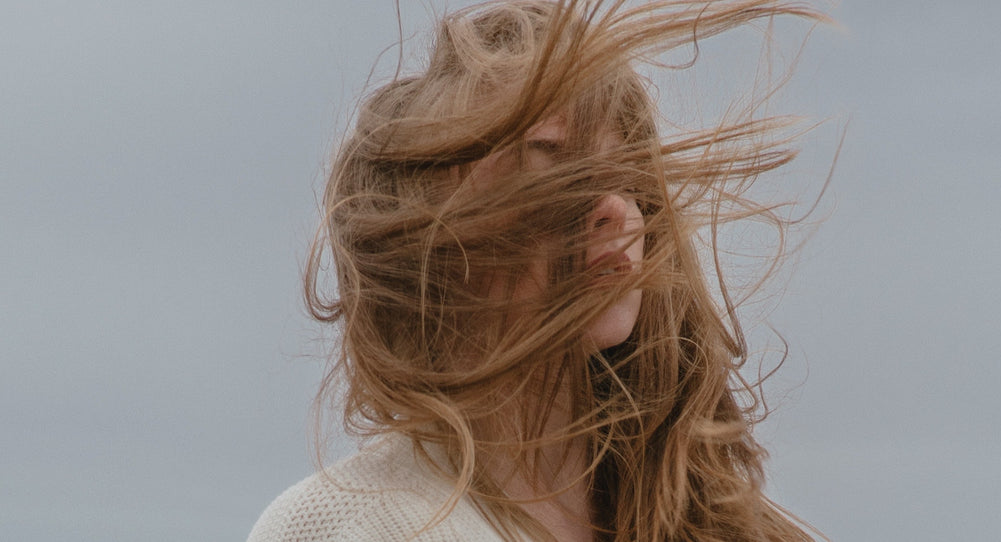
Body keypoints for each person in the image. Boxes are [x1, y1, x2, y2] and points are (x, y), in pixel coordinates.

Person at [248, 1, 827, 540]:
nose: (616, 209)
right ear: (427, 234)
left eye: (627, 177)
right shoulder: (351, 525)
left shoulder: (713, 522)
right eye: (551, 168)